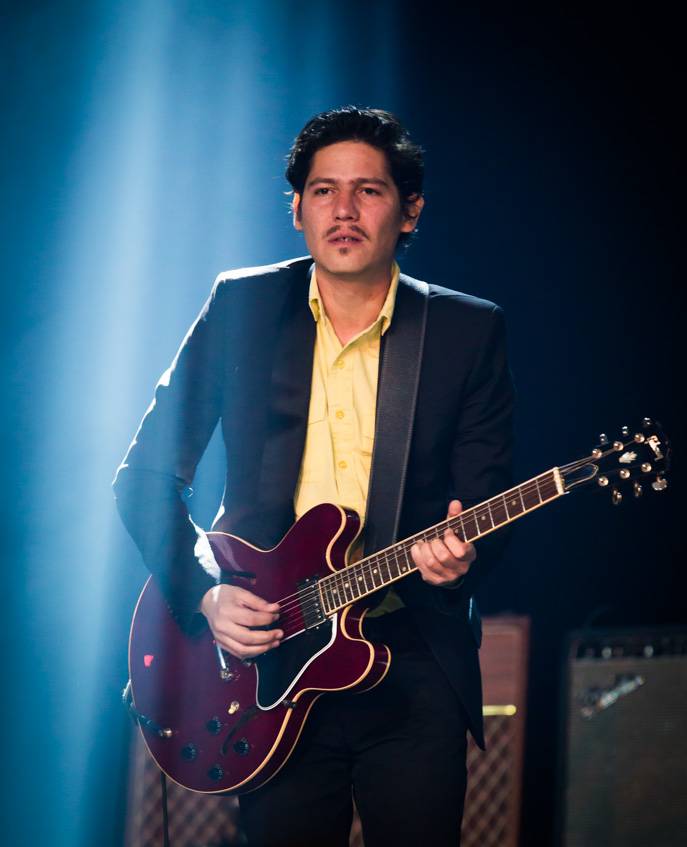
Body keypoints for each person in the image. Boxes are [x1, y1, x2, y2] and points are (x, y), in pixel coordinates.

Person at [114, 106, 514, 847]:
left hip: (411, 658)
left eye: (369, 191)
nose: (344, 210)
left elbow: (487, 501)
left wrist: (463, 558)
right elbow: (144, 476)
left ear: (410, 211)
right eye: (324, 190)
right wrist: (203, 591)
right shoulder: (243, 306)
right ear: (297, 209)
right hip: (270, 655)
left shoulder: (465, 330)